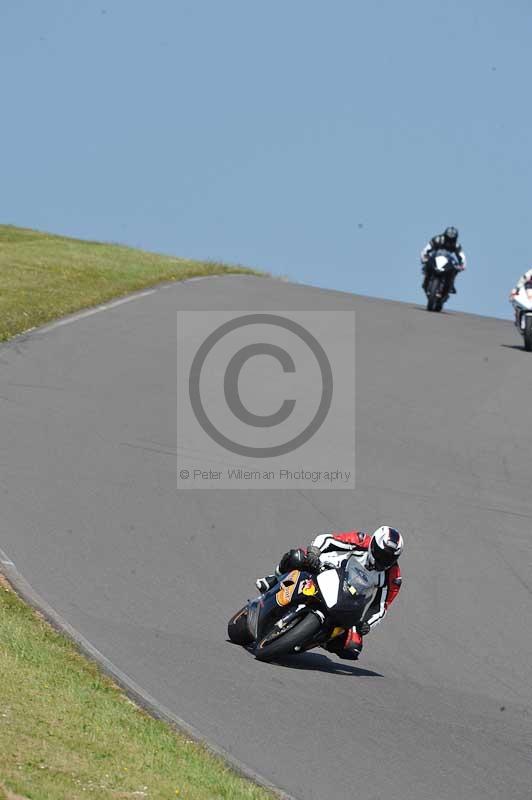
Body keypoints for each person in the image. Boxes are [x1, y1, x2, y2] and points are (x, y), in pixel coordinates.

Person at [255, 526, 403, 660]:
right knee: (298, 557)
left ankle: (315, 639)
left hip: (350, 602)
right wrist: (315, 551)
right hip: (329, 570)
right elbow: (328, 539)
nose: (382, 560)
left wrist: (367, 624)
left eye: (388, 558)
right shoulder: (361, 541)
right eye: (381, 554)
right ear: (373, 546)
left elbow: (381, 606)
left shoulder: (393, 577)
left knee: (352, 648)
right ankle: (274, 579)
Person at [421, 226, 466, 295]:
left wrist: (462, 265)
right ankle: (426, 279)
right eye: (448, 239)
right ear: (445, 235)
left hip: (448, 261)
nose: (449, 241)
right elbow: (427, 248)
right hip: (435, 258)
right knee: (426, 264)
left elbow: (461, 255)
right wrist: (424, 257)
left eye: (451, 239)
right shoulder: (437, 239)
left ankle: (451, 284)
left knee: (455, 269)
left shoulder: (456, 245)